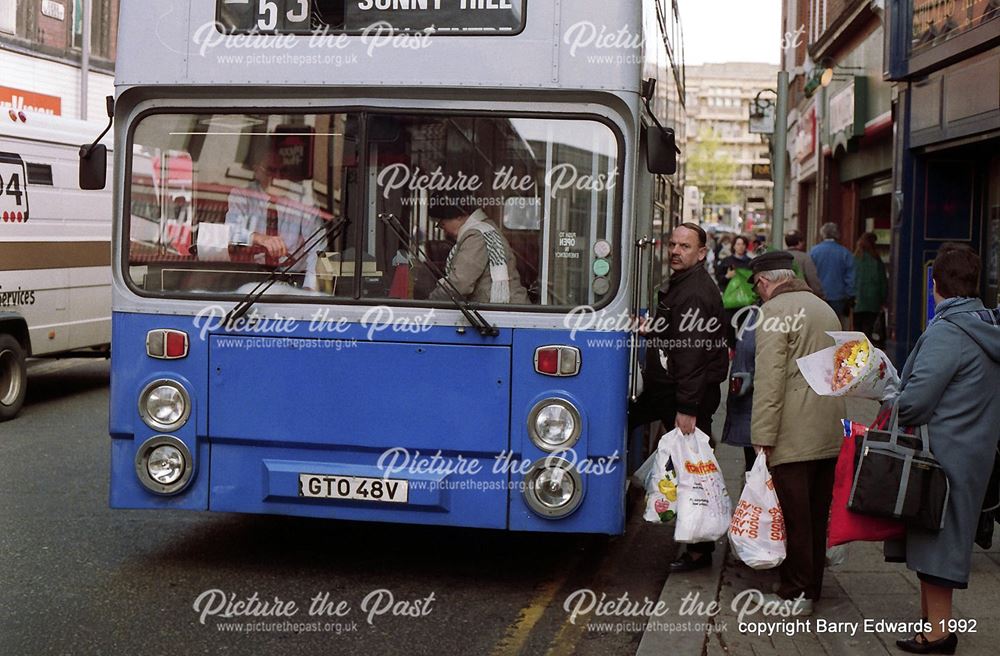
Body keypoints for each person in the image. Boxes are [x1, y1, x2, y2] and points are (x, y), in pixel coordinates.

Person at [887, 246, 1000, 654]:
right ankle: (931, 628)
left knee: (937, 542)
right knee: (941, 539)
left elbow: (916, 399)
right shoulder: (985, 324)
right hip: (975, 449)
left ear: (935, 285)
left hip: (942, 455)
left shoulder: (948, 331)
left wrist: (887, 395)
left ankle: (937, 636)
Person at [749, 251, 846, 615]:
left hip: (794, 428)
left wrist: (762, 435)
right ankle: (811, 586)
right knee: (817, 512)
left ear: (763, 281)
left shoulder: (774, 312)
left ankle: (796, 593)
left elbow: (770, 381)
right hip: (828, 423)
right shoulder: (823, 308)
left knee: (795, 516)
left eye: (758, 288)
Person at [630, 223, 729, 573]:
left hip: (684, 396)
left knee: (692, 472)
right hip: (667, 392)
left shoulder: (696, 292)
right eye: (672, 244)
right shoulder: (684, 284)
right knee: (686, 467)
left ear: (701, 253)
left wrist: (687, 408)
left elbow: (692, 354)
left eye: (685, 246)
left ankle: (700, 551)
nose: (675, 250)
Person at [225, 149, 323, 290]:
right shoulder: (242, 195)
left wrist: (309, 289)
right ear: (257, 170)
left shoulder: (304, 200)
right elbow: (230, 233)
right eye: (270, 170)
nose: (276, 177)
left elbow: (318, 248)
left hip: (294, 280)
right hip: (252, 279)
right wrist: (260, 238)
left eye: (282, 171)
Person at [427, 199, 529, 304]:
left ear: (458, 216)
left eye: (442, 224)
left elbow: (460, 284)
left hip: (505, 313)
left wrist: (430, 301)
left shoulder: (476, 236)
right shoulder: (485, 228)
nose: (443, 229)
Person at [721, 303, 761, 473]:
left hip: (757, 409)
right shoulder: (756, 312)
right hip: (751, 409)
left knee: (757, 468)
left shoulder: (763, 314)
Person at [809, 222, 856, 327]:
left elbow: (810, 274)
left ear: (823, 234)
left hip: (818, 296)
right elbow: (850, 278)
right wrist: (850, 295)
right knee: (837, 325)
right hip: (839, 296)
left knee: (819, 325)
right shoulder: (845, 253)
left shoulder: (814, 252)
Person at [716, 235, 754, 348]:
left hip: (746, 300)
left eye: (743, 244)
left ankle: (741, 350)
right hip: (730, 300)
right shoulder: (727, 262)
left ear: (746, 246)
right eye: (738, 244)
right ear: (733, 246)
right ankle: (732, 347)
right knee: (729, 325)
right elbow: (720, 279)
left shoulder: (750, 263)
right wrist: (727, 276)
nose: (740, 247)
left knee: (745, 326)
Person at [853, 232, 887, 339]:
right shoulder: (877, 261)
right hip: (873, 300)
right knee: (868, 329)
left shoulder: (854, 259)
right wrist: (883, 299)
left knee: (857, 330)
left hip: (857, 300)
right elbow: (882, 282)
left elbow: (850, 279)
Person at [784, 229, 825, 298]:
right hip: (800, 295)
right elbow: (812, 278)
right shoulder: (805, 257)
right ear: (799, 242)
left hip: (782, 294)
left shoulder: (780, 256)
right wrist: (820, 294)